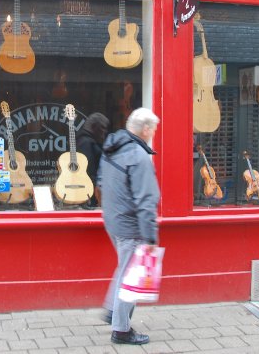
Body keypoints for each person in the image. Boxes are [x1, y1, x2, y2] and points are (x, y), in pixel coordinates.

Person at [99, 107, 160, 346]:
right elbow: (146, 199)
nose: (154, 132)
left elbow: (101, 182)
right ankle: (121, 330)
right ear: (145, 129)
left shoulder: (112, 147)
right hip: (131, 225)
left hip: (113, 221)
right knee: (131, 278)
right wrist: (149, 236)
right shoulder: (138, 155)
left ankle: (112, 311)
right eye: (154, 128)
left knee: (124, 269)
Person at [75, 112, 110, 207]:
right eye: (102, 128)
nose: (104, 132)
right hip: (90, 193)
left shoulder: (86, 141)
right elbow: (88, 172)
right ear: (94, 127)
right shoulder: (86, 143)